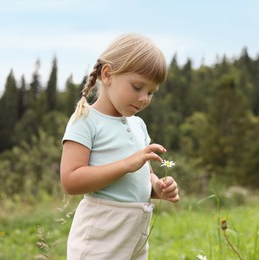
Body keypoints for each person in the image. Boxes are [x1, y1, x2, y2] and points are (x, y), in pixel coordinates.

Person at [60, 33, 180, 259]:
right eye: (137, 87)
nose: (144, 98)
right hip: (101, 234)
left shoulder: (138, 125)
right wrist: (125, 164)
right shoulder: (85, 120)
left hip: (136, 232)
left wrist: (157, 187)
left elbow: (145, 175)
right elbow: (70, 180)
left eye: (151, 92)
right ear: (107, 74)